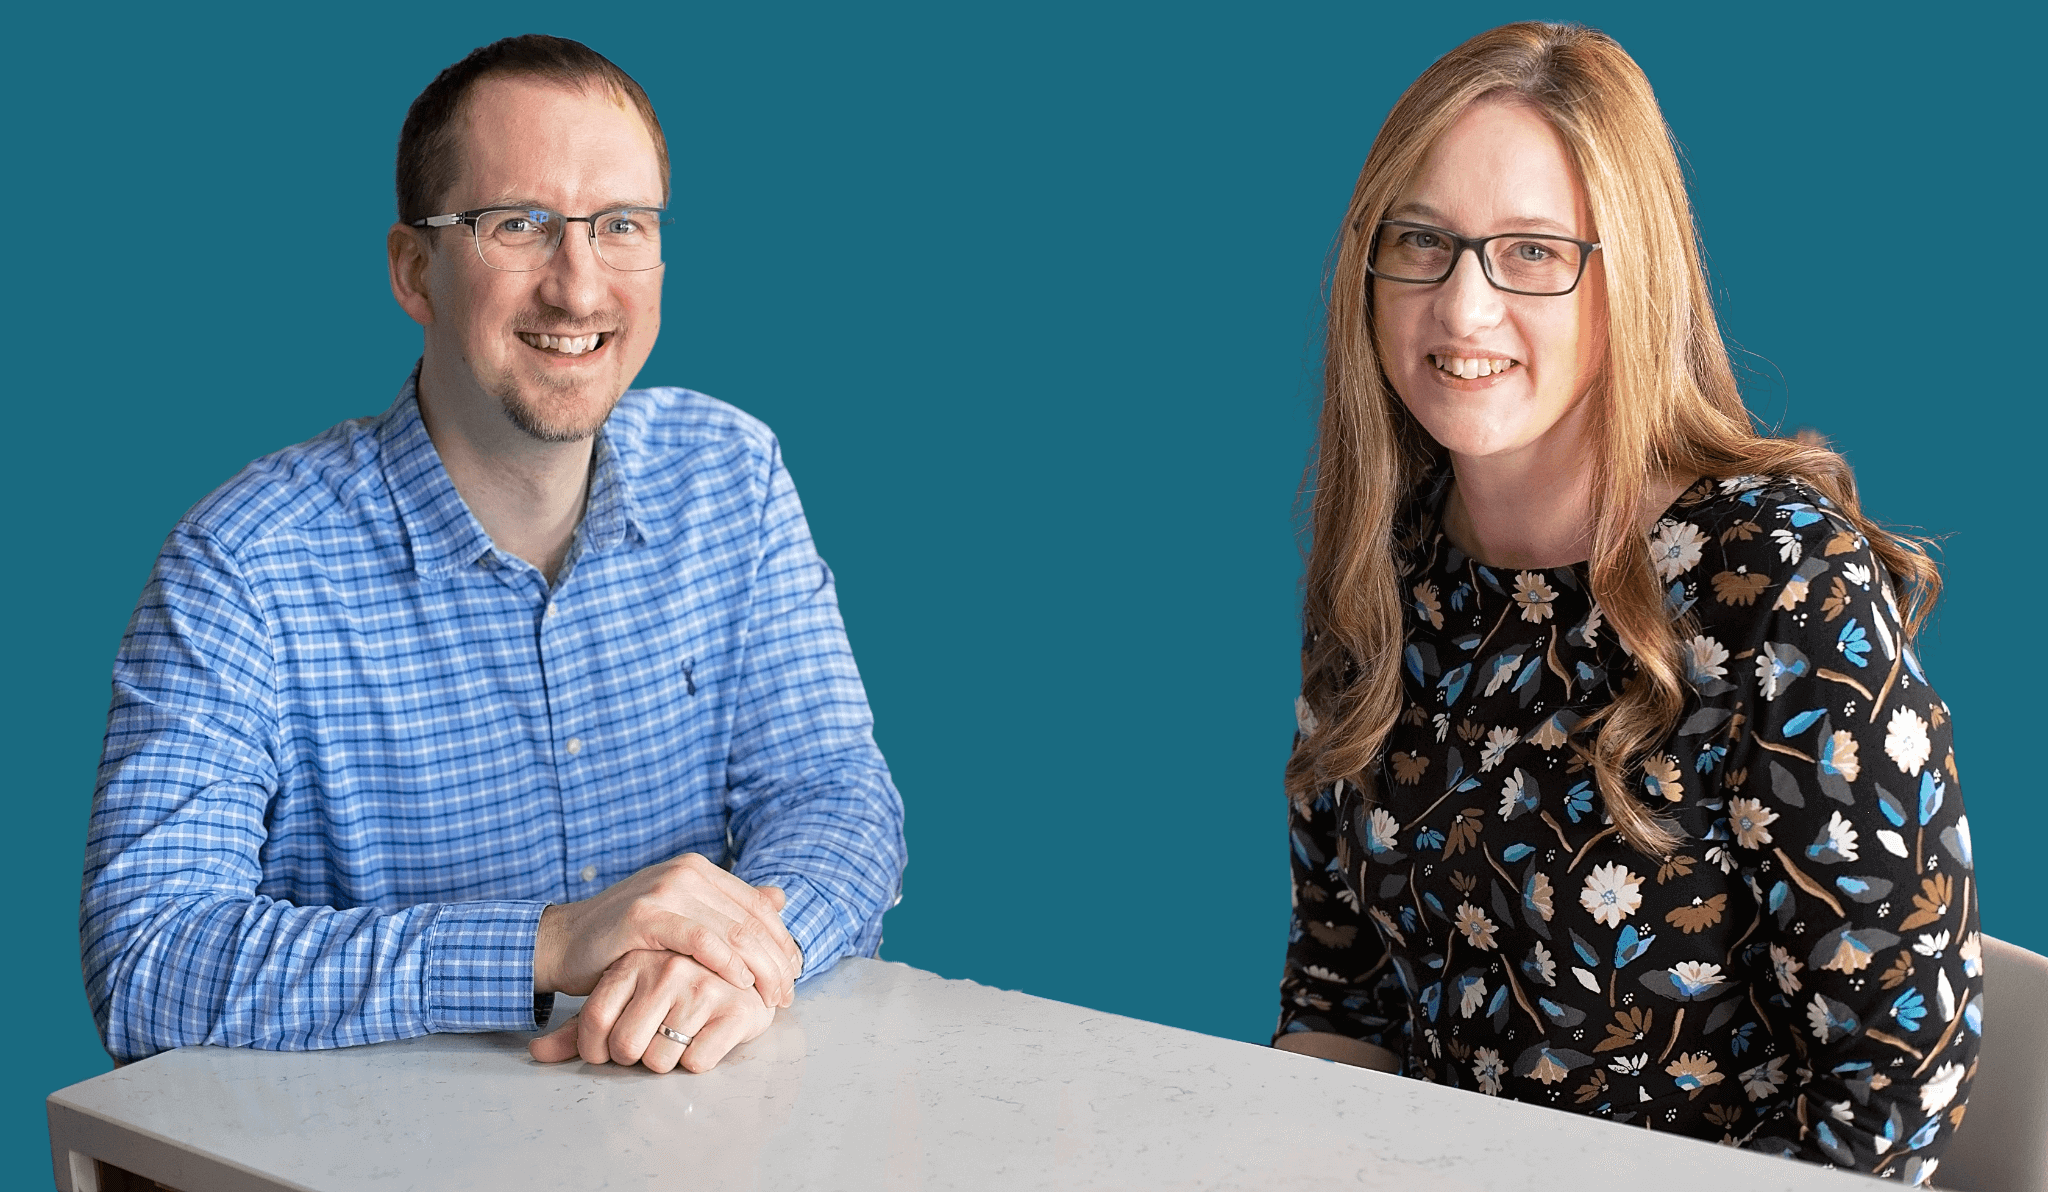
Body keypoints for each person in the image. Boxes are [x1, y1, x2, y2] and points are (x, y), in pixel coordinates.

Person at [80, 34, 906, 1077]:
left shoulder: (730, 476)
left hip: (694, 1125)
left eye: (620, 227)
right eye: (517, 225)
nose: (578, 288)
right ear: (413, 269)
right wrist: (547, 943)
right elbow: (147, 957)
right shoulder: (243, 569)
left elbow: (833, 790)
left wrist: (736, 956)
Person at [1273, 22, 1977, 1183]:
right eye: (1421, 242)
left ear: (1630, 274)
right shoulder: (1383, 571)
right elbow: (1343, 995)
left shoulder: (1776, 584)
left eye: (1532, 252)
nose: (1460, 309)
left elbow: (1894, 1086)